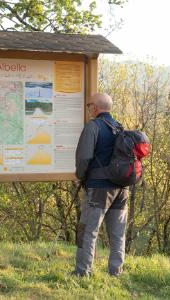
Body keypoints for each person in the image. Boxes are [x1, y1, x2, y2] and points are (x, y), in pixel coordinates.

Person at [72, 92, 128, 277]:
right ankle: (115, 272)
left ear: (95, 107)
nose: (88, 108)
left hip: (99, 189)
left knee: (87, 231)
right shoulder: (119, 127)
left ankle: (82, 272)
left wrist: (80, 176)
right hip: (121, 188)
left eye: (89, 105)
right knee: (118, 234)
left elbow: (84, 157)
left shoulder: (93, 127)